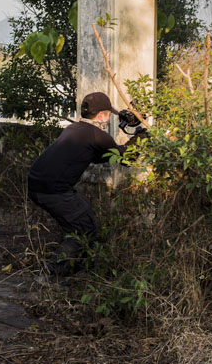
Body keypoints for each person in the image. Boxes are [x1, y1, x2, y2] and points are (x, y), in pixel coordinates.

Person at [27, 91, 146, 276]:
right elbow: (125, 158)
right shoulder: (97, 135)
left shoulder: (74, 129)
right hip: (54, 190)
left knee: (81, 225)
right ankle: (51, 275)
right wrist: (143, 137)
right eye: (108, 115)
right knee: (84, 229)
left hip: (37, 185)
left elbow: (99, 156)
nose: (109, 120)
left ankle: (75, 269)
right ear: (101, 115)